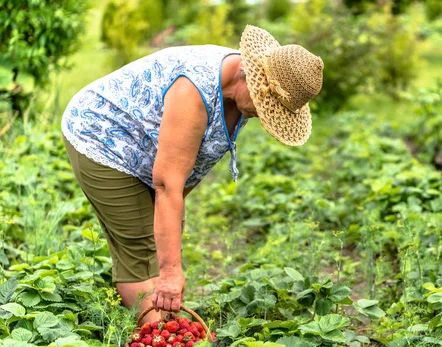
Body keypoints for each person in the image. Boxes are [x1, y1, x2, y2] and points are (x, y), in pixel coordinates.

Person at [61, 25, 324, 322]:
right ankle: (155, 340)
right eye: (267, 107)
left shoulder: (239, 94)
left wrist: (167, 250)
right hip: (103, 135)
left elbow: (182, 178)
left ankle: (162, 317)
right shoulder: (195, 89)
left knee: (160, 235)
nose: (265, 116)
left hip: (148, 148)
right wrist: (171, 271)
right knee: (138, 246)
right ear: (250, 78)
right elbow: (167, 184)